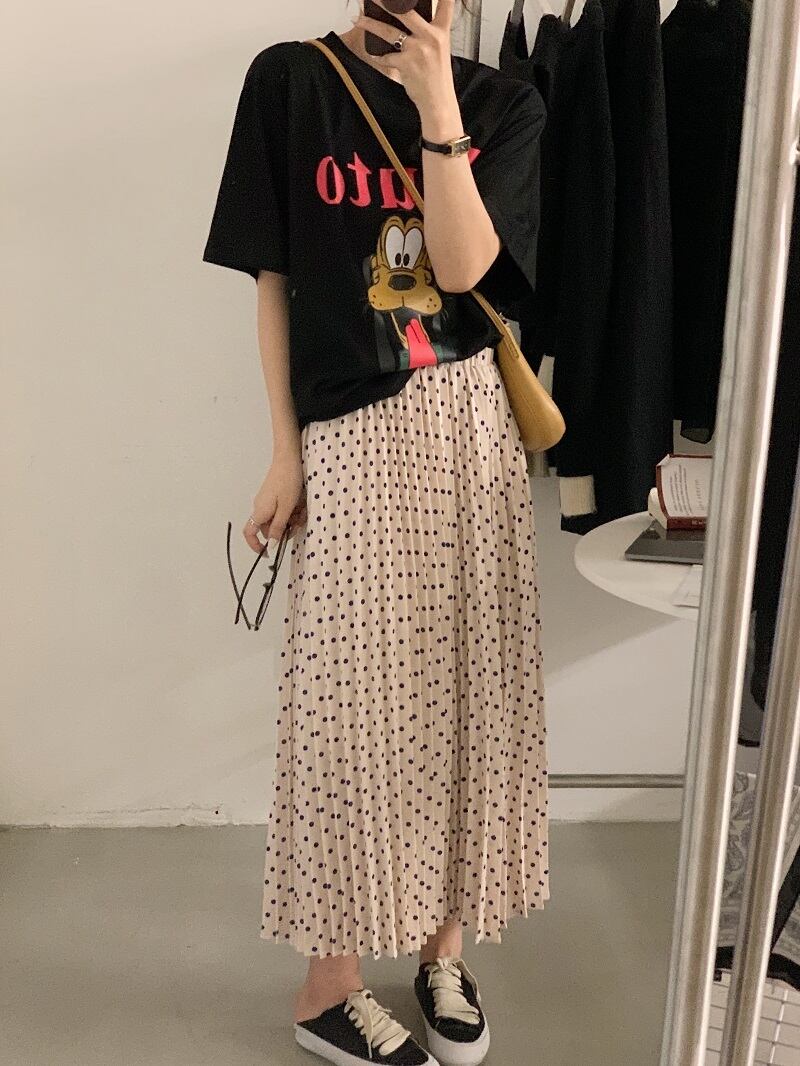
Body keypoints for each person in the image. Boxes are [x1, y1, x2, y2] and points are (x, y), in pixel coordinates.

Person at [202, 2, 549, 1063]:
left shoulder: (504, 104)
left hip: (471, 428)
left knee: (472, 693)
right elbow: (274, 280)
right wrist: (285, 449)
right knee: (349, 709)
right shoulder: (289, 82)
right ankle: (328, 987)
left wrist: (439, 104)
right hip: (350, 429)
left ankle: (444, 949)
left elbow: (465, 272)